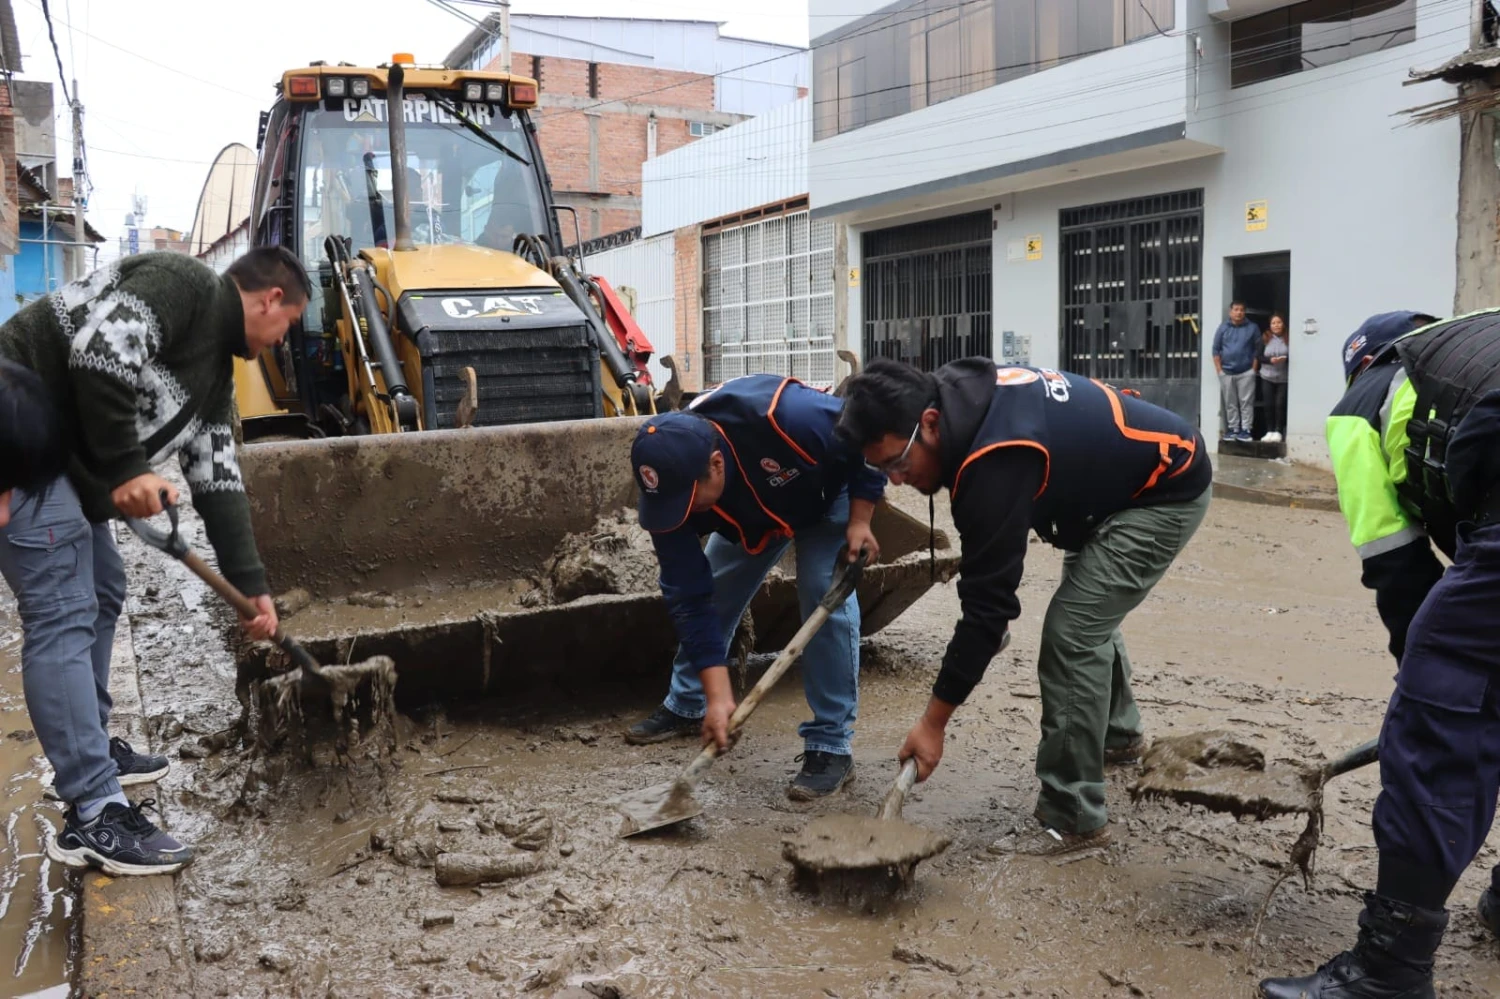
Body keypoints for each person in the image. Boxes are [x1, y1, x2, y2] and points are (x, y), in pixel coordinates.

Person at [0, 247, 310, 876]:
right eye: (289, 325)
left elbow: (219, 485)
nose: (283, 341)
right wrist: (127, 468)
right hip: (16, 432)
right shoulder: (185, 284)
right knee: (63, 609)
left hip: (63, 458)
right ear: (271, 299)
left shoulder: (215, 381)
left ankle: (90, 743)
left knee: (105, 586)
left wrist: (253, 589)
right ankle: (92, 811)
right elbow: (99, 356)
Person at [836, 358, 1211, 855]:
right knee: (1089, 608)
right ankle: (1117, 737)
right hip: (1108, 487)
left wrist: (932, 724)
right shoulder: (956, 396)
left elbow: (988, 612)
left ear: (929, 423)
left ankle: (1072, 817)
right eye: (882, 471)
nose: (897, 481)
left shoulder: (994, 459)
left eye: (897, 464)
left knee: (1074, 631)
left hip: (1162, 489)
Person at [1259, 308, 1500, 999]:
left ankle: (1387, 972)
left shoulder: (1359, 407)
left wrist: (1422, 683)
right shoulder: (1473, 345)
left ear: (1363, 364)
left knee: (1443, 711)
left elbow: (1398, 569)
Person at [625, 374, 884, 799]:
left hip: (824, 493)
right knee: (716, 586)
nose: (680, 515)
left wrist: (860, 519)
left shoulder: (792, 418)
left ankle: (830, 744)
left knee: (824, 593)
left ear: (716, 464)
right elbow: (688, 595)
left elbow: (871, 439)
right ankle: (691, 702)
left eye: (688, 503)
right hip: (749, 513)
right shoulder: (670, 493)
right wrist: (718, 693)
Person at [1213, 301, 1262, 442]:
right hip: (1226, 372)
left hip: (1246, 371)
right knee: (1230, 402)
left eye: (1241, 310)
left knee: (1246, 402)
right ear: (1231, 312)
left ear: (1244, 312)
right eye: (1236, 309)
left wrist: (1253, 369)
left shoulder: (1252, 328)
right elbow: (1215, 349)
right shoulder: (1223, 328)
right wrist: (1219, 370)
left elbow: (1257, 349)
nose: (1239, 312)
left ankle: (1246, 430)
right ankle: (1233, 428)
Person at [1258, 313, 1290, 442]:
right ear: (1270, 326)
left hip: (1283, 377)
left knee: (1280, 404)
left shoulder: (1289, 338)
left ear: (1283, 324)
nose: (1276, 325)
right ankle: (1269, 430)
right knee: (1268, 404)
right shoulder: (1265, 338)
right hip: (1267, 376)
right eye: (1273, 323)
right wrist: (1270, 360)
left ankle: (1278, 431)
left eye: (1279, 322)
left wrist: (1285, 359)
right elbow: (1258, 356)